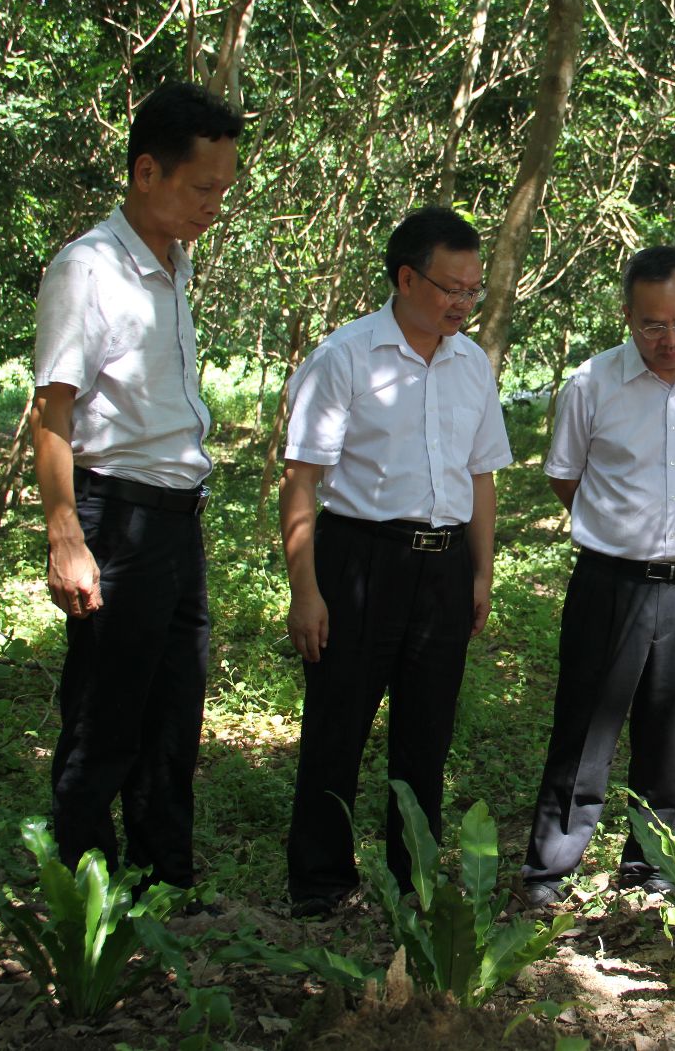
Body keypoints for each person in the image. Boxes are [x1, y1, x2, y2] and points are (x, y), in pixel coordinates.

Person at [31, 81, 243, 890]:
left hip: (177, 520)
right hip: (115, 514)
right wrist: (66, 537)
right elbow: (53, 414)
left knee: (174, 708)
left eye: (223, 190)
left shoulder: (173, 261)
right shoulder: (89, 268)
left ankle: (164, 883)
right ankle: (83, 895)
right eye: (202, 188)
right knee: (104, 714)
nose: (213, 207)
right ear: (146, 172)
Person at [280, 206, 512, 918]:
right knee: (337, 727)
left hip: (442, 567)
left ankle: (411, 878)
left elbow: (481, 475)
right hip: (360, 560)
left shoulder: (472, 364)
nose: (463, 304)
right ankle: (320, 883)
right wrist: (306, 591)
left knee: (427, 732)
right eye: (451, 288)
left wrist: (481, 570)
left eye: (474, 290)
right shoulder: (346, 357)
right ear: (406, 278)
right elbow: (302, 480)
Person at [517, 246, 675, 908]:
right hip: (609, 583)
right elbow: (567, 477)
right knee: (585, 728)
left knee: (667, 729)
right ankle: (549, 871)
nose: (670, 339)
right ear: (627, 317)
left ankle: (649, 868)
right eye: (653, 325)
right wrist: (622, 532)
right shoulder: (591, 384)